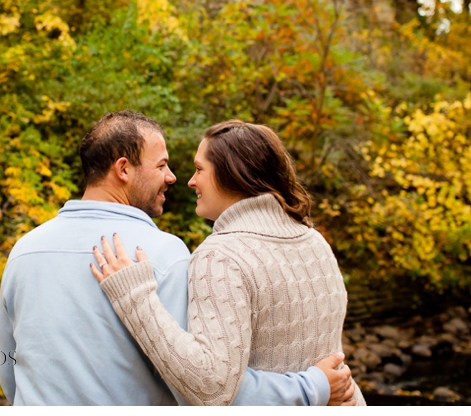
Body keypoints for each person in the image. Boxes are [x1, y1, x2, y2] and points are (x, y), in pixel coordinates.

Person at [0, 110, 355, 405]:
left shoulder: (24, 250)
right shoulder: (164, 254)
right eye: (163, 166)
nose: (175, 178)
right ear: (123, 170)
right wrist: (315, 388)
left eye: (195, 169)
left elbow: (9, 372)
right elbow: (207, 386)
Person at [91, 119, 366, 406]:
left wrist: (136, 298)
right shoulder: (314, 241)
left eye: (199, 169)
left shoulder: (221, 256)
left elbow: (211, 389)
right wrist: (318, 389)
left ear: (231, 174)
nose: (190, 181)